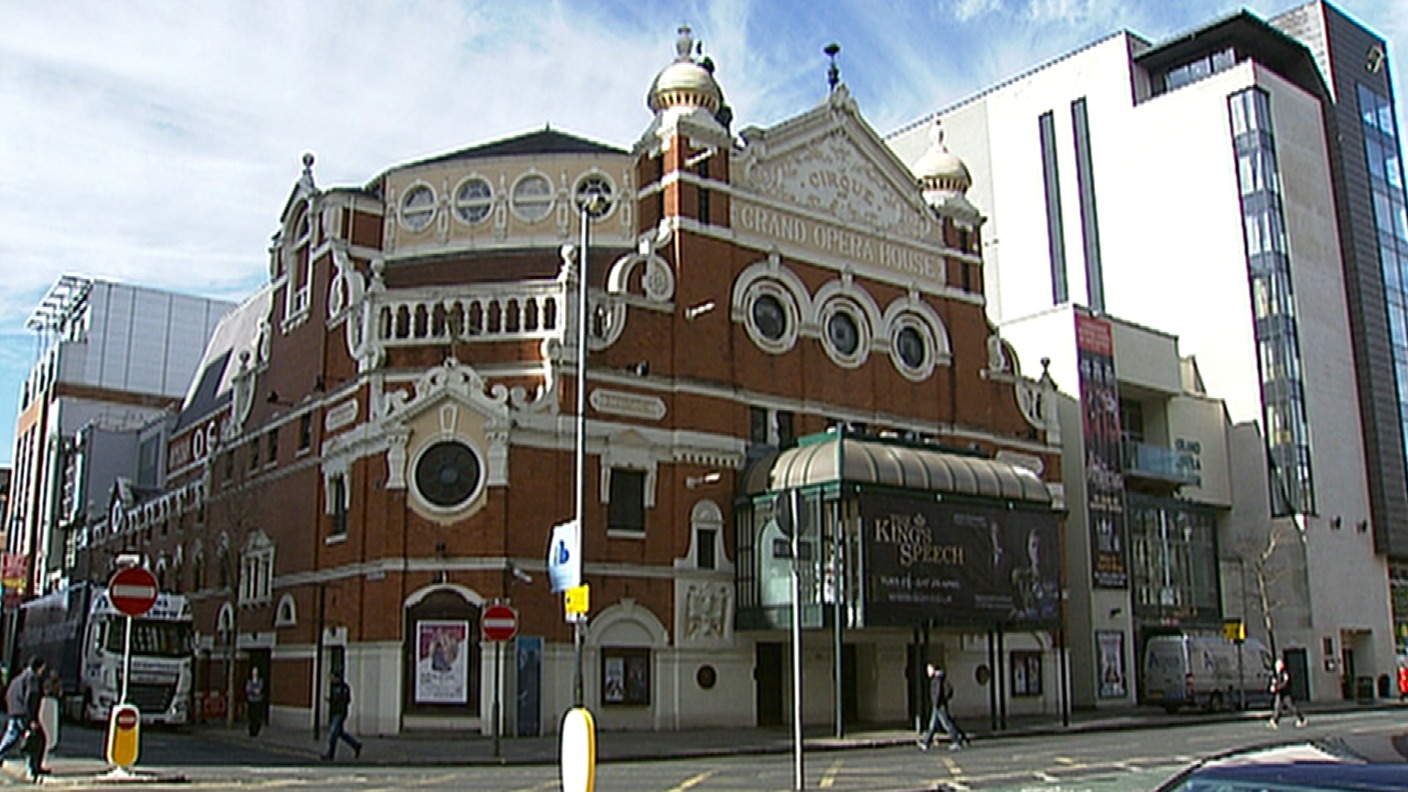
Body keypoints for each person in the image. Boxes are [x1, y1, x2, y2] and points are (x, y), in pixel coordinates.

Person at [0, 656, 48, 781]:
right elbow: (31, 698)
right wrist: (32, 719)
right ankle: (32, 769)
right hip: (24, 714)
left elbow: (8, 694)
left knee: (11, 737)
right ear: (39, 667)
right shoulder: (33, 679)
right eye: (43, 668)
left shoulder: (17, 679)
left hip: (14, 712)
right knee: (36, 740)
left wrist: (12, 710)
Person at [917, 663, 969, 752]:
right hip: (938, 705)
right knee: (932, 726)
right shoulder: (938, 678)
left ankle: (957, 741)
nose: (928, 672)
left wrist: (936, 702)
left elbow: (937, 692)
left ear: (934, 669)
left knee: (946, 725)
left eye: (929, 669)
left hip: (939, 706)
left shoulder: (937, 679)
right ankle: (926, 743)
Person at [322, 670, 362, 761]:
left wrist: (336, 702)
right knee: (340, 733)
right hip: (336, 712)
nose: (330, 680)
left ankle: (330, 754)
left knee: (333, 734)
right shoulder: (334, 687)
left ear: (337, 678)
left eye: (332, 677)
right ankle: (356, 745)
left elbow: (346, 700)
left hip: (340, 713)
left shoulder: (344, 688)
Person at [1267, 657, 1306, 728]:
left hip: (1285, 693)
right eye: (1276, 665)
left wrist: (1276, 688)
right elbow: (1274, 682)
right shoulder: (1276, 674)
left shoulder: (1285, 673)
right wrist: (1273, 686)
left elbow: (1285, 683)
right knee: (1277, 706)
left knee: (1291, 706)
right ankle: (1274, 721)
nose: (1277, 667)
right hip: (1279, 693)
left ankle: (1301, 719)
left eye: (1278, 665)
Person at [244, 666, 267, 737]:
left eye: (256, 671)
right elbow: (248, 689)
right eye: (253, 671)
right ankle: (251, 731)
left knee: (257, 716)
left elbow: (259, 690)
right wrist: (254, 690)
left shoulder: (260, 680)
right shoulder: (249, 680)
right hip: (251, 700)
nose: (254, 673)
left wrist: (253, 690)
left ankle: (256, 730)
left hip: (258, 700)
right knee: (251, 716)